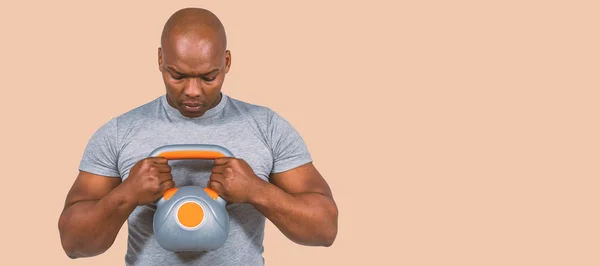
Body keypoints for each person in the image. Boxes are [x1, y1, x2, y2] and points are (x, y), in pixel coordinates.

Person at [57, 7, 338, 266]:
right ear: (160, 60)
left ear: (226, 62)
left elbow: (324, 230)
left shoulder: (267, 127)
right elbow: (74, 244)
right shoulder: (120, 132)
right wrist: (127, 194)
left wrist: (256, 190)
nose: (192, 91)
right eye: (177, 75)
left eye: (208, 77)